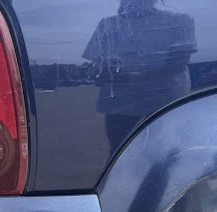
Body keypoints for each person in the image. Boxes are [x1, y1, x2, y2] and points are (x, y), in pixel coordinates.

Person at [83, 0, 197, 154]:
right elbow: (96, 63)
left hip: (163, 103)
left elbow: (179, 63)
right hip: (120, 104)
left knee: (163, 154)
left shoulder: (179, 20)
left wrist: (136, 77)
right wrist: (98, 75)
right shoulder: (108, 24)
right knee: (120, 155)